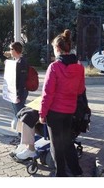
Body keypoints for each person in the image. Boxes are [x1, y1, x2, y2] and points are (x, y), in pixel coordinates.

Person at [39, 29, 85, 177]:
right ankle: (76, 170)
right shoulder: (79, 67)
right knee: (67, 141)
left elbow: (47, 93)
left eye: (53, 48)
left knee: (56, 144)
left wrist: (42, 113)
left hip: (54, 112)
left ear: (57, 49)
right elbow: (80, 90)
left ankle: (60, 174)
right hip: (69, 111)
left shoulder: (54, 67)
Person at [7, 42, 29, 146]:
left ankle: (21, 138)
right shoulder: (15, 61)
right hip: (13, 92)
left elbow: (22, 81)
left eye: (11, 49)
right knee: (17, 114)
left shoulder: (22, 62)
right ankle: (19, 136)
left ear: (15, 50)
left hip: (19, 93)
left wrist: (18, 95)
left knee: (20, 115)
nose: (10, 52)